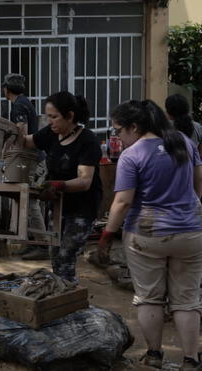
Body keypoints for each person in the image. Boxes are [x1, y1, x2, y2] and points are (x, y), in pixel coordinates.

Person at [98, 100, 202, 370]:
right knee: (187, 300)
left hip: (147, 235)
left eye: (119, 130)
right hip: (190, 231)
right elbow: (198, 185)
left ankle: (154, 356)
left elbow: (122, 203)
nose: (118, 137)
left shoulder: (133, 156)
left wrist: (107, 236)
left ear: (134, 126)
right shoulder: (183, 142)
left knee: (149, 297)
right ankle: (191, 360)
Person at [23, 91, 102, 282]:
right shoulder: (51, 133)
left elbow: (84, 181)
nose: (50, 121)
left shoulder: (87, 141)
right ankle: (60, 295)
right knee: (55, 257)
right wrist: (6, 131)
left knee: (66, 258)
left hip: (82, 209)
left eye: (54, 117)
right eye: (48, 116)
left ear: (70, 116)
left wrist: (57, 185)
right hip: (57, 206)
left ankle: (67, 299)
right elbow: (27, 141)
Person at [2, 73, 48, 260]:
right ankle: (36, 243)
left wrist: (11, 153)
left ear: (6, 89)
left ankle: (43, 246)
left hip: (29, 159)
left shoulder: (19, 105)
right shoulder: (23, 102)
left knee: (30, 202)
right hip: (32, 158)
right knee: (28, 202)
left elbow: (22, 132)